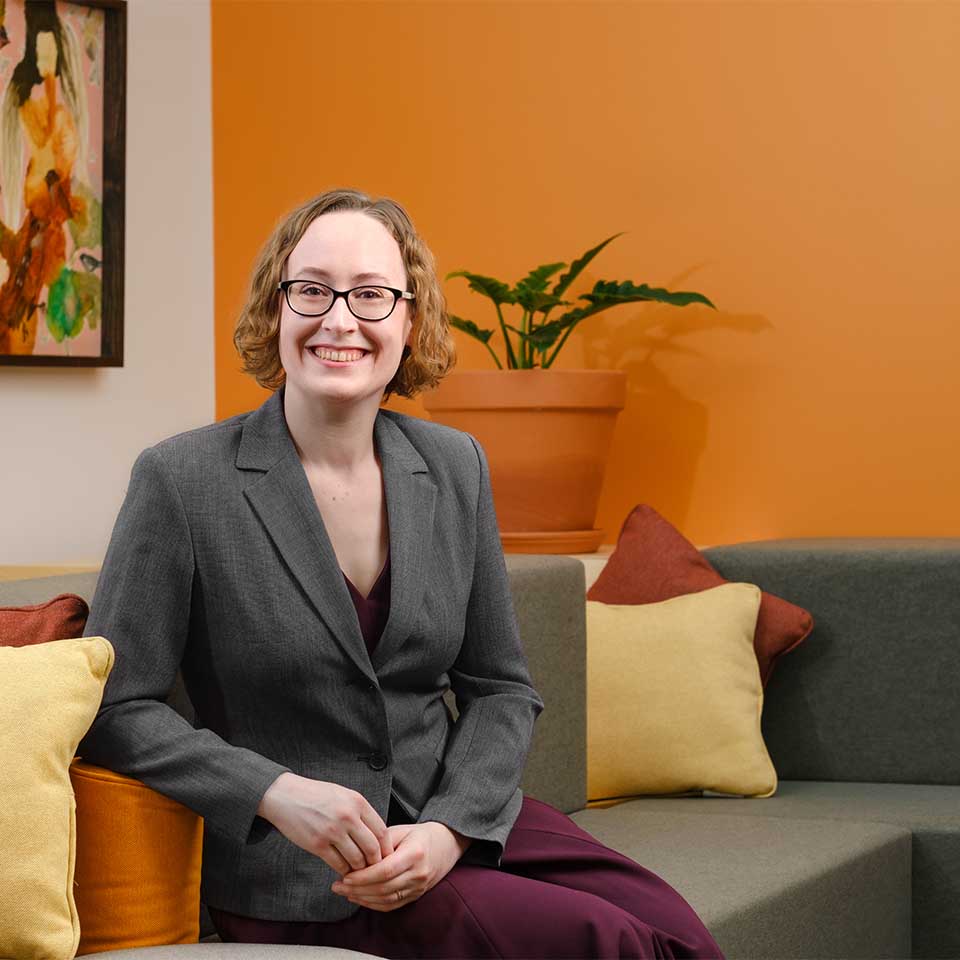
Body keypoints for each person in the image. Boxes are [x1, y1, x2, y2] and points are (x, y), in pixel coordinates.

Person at [79, 187, 725, 959]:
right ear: (275, 310)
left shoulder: (454, 465)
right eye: (312, 289)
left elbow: (501, 687)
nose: (340, 319)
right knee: (608, 943)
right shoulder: (182, 480)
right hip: (309, 868)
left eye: (372, 295)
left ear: (410, 320)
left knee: (681, 937)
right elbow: (117, 707)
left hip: (453, 817)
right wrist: (275, 793)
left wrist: (452, 828)